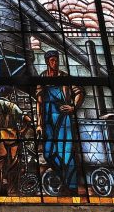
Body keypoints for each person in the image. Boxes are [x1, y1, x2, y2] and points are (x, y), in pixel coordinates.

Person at [36, 51, 84, 196]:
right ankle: (64, 178)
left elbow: (79, 92)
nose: (55, 63)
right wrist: (39, 123)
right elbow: (39, 102)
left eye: (56, 60)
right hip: (48, 117)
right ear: (47, 62)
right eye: (52, 60)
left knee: (67, 151)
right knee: (48, 152)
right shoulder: (42, 78)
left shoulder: (64, 77)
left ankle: (71, 186)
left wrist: (73, 107)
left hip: (64, 117)